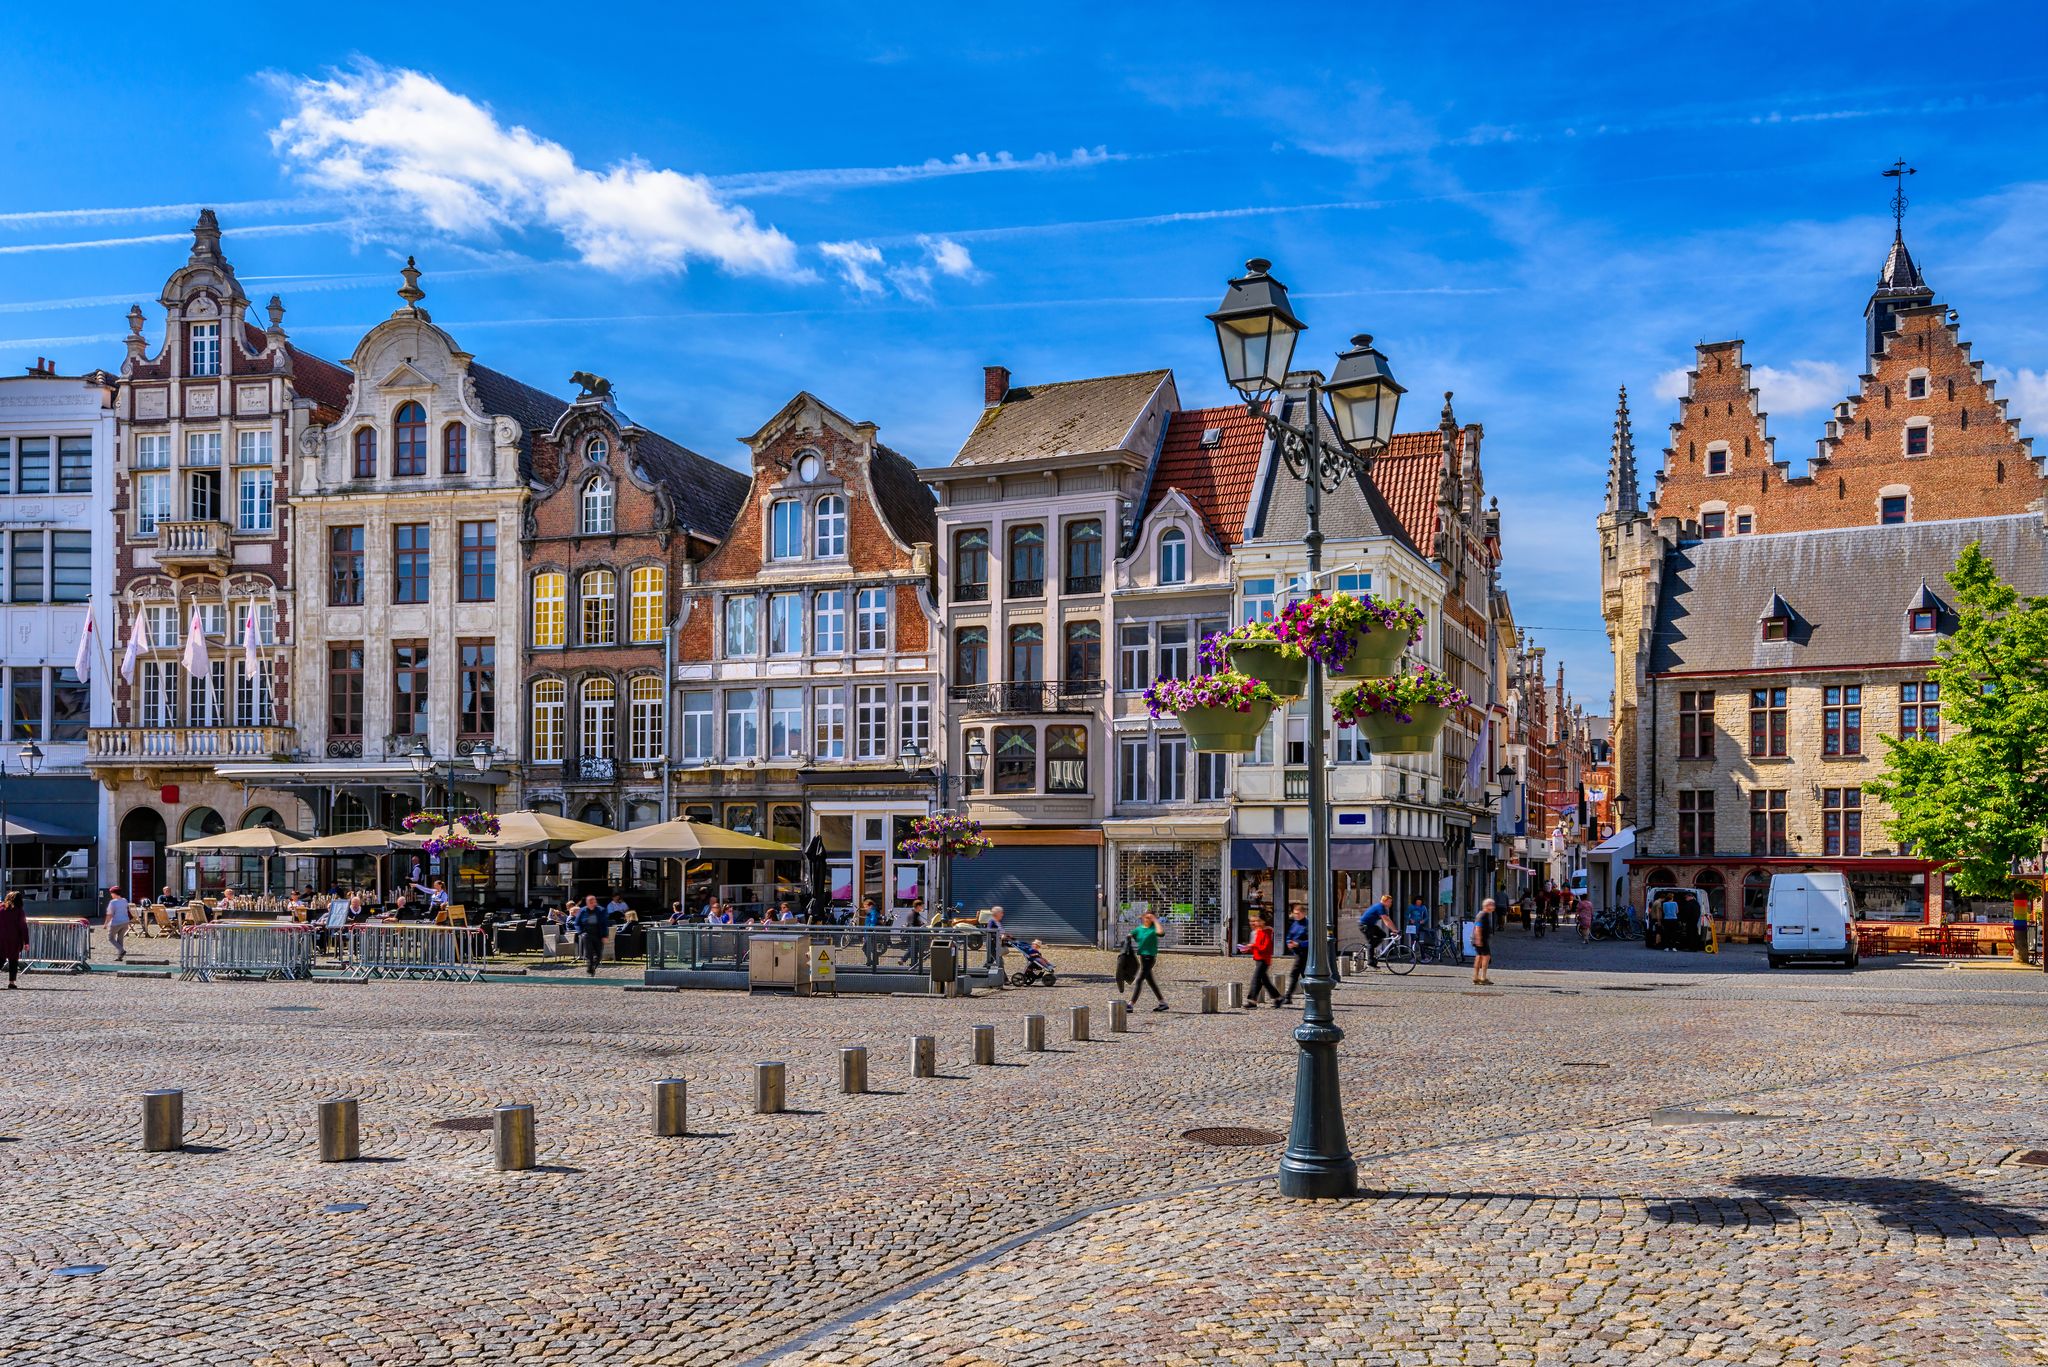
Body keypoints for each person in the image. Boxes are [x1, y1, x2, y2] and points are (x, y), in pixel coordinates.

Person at [1238, 912, 1284, 1008]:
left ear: (1263, 921)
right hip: (1258, 958)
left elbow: (1265, 947)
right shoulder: (1258, 931)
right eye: (1255, 921)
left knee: (1256, 979)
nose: (1256, 923)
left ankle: (1252, 1000)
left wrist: (1252, 946)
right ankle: (1278, 998)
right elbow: (1257, 946)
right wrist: (1247, 949)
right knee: (1264, 981)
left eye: (1258, 921)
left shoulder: (1267, 932)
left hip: (1264, 959)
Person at [1127, 908, 1167, 1011]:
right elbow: (1131, 935)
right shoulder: (1139, 929)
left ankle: (1131, 1004)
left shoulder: (1153, 929)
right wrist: (1129, 937)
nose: (1146, 919)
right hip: (1142, 957)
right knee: (1151, 981)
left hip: (1150, 958)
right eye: (1145, 917)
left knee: (1139, 980)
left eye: (1149, 918)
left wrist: (1155, 920)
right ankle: (1162, 1003)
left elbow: (1161, 932)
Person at [1279, 904, 1311, 1006]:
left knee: (1294, 974)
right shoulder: (1294, 924)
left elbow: (1311, 940)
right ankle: (1311, 994)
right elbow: (1289, 935)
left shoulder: (1308, 924)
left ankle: (1288, 996)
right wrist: (1289, 942)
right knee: (1304, 975)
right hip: (1297, 952)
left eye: (1298, 913)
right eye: (1294, 913)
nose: (1296, 915)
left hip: (1304, 953)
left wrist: (1299, 944)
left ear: (1303, 913)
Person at [575, 895, 609, 976]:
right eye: (590, 902)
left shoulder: (601, 910)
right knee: (589, 953)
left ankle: (592, 967)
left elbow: (604, 924)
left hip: (598, 934)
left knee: (599, 955)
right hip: (587, 934)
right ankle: (590, 967)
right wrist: (580, 932)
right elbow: (577, 923)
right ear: (587, 903)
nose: (592, 904)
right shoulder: (582, 911)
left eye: (593, 902)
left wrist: (605, 936)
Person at [1359, 894, 1395, 968]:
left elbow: (1388, 919)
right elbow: (1386, 921)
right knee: (1371, 942)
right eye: (1390, 902)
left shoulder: (1383, 908)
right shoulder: (1379, 907)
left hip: (1370, 925)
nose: (1391, 903)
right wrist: (1394, 930)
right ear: (1385, 901)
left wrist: (1395, 930)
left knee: (1382, 935)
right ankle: (1370, 962)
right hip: (1364, 925)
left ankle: (1370, 948)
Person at [0, 890, 27, 987]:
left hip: (1, 938)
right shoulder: (19, 911)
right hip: (14, 939)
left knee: (1, 959)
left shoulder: (1, 908)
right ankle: (11, 982)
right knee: (13, 961)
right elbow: (23, 927)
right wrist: (26, 942)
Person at [1472, 897, 1498, 986]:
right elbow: (1478, 927)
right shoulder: (1483, 915)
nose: (1494, 906)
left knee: (1479, 957)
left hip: (1480, 939)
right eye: (1492, 905)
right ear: (1487, 906)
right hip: (1481, 940)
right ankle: (1483, 977)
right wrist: (1479, 939)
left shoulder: (1484, 914)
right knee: (1486, 957)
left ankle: (1476, 977)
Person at [105, 887, 132, 962]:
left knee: (110, 938)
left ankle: (121, 950)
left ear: (114, 893)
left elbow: (109, 914)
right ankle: (120, 957)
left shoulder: (113, 902)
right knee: (120, 938)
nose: (111, 895)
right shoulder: (124, 900)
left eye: (111, 893)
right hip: (125, 921)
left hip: (116, 922)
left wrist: (106, 924)